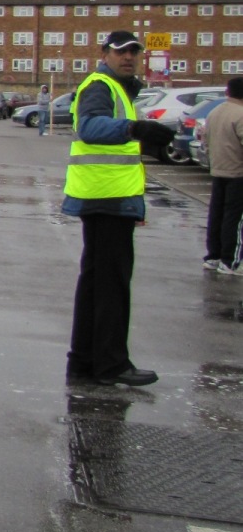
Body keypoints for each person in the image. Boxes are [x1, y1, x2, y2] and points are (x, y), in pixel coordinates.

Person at [64, 30, 176, 387]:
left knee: (97, 283)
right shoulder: (101, 86)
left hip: (105, 197)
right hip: (107, 198)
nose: (128, 58)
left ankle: (84, 361)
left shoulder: (118, 89)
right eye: (121, 52)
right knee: (111, 285)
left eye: (134, 53)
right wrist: (134, 127)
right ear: (105, 54)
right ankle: (110, 364)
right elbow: (90, 126)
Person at [203, 77, 243, 274]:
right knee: (234, 219)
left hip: (218, 170)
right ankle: (230, 261)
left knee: (216, 215)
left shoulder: (214, 112)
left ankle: (213, 256)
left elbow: (206, 140)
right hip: (238, 173)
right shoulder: (241, 114)